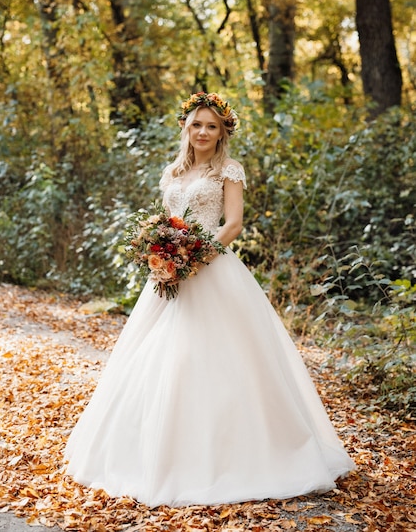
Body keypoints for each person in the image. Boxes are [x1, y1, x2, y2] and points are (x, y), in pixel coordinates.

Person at [64, 92, 355, 507]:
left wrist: (193, 257)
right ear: (186, 127)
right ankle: (155, 455)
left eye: (212, 126)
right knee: (158, 359)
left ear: (223, 133)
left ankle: (243, 455)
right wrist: (161, 254)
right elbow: (166, 222)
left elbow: (233, 224)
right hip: (168, 275)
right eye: (197, 124)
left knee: (213, 358)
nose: (203, 132)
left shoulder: (228, 171)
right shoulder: (173, 172)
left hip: (211, 268)